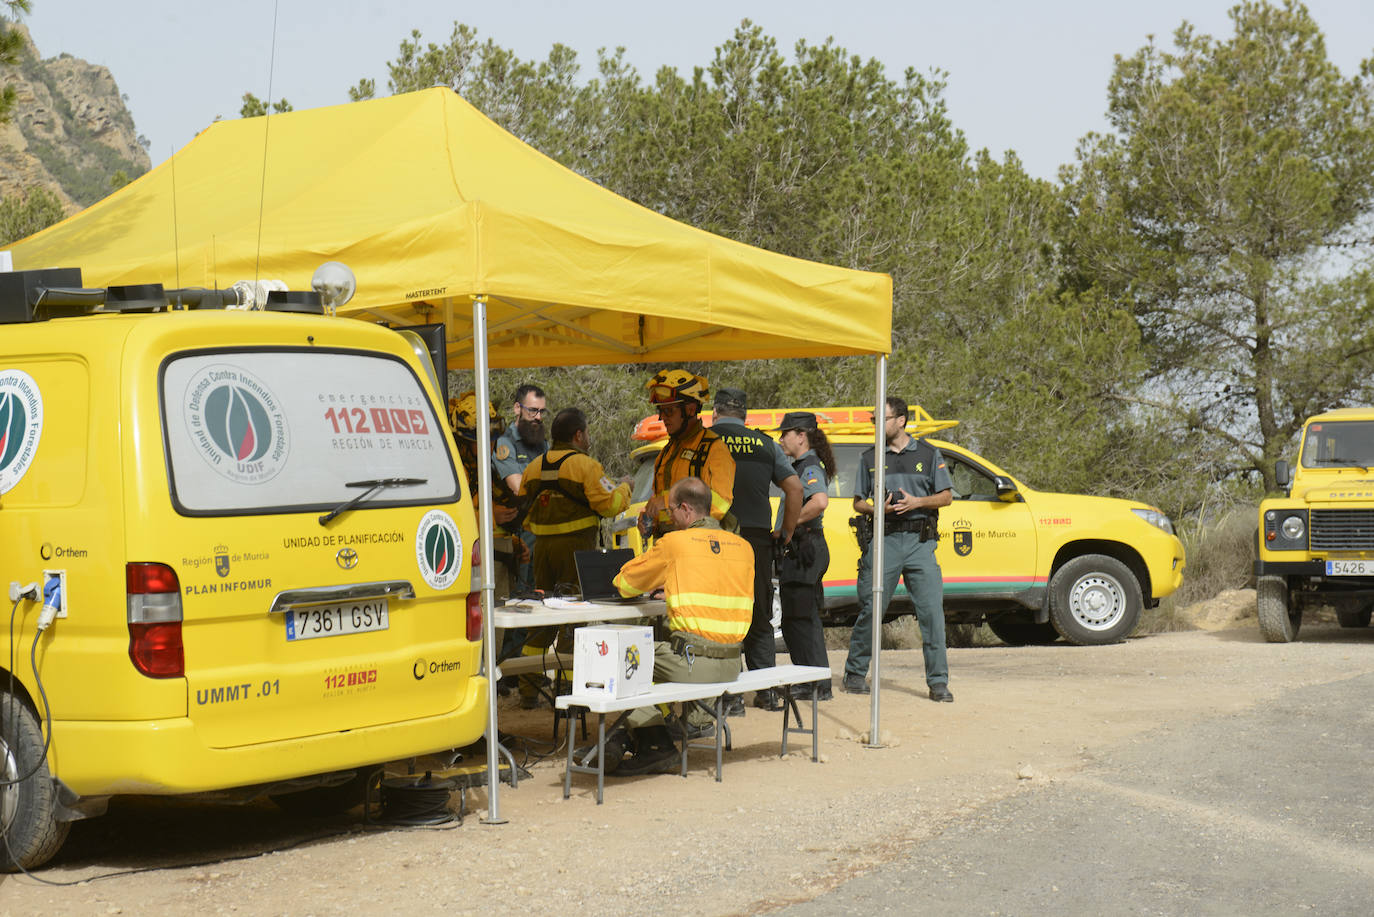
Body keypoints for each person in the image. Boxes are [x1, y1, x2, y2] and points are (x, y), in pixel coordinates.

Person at [601, 477, 753, 776]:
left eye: (669, 512)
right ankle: (649, 730)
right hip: (733, 663)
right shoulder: (744, 547)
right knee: (651, 658)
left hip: (695, 663)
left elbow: (625, 584)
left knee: (621, 658)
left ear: (685, 509)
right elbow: (718, 587)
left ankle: (656, 745)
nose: (668, 518)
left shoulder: (676, 543)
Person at [513, 408, 633, 707]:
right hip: (576, 552)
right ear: (578, 435)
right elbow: (610, 505)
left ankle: (529, 689)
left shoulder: (533, 467)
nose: (589, 438)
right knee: (572, 617)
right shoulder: (586, 466)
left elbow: (523, 512)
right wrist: (627, 487)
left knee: (542, 617)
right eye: (587, 433)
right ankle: (566, 688)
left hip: (541, 550)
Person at [843, 396, 954, 702]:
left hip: (920, 542)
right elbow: (857, 502)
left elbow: (946, 497)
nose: (878, 425)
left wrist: (917, 502)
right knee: (871, 608)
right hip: (886, 539)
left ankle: (938, 683)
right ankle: (854, 673)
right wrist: (879, 508)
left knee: (931, 612)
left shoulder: (930, 454)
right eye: (875, 420)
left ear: (901, 420)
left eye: (883, 419)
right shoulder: (870, 457)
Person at [710, 387, 802, 712]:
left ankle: (729, 696)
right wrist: (786, 532)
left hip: (713, 539)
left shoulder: (705, 441)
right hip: (757, 541)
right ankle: (765, 692)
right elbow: (795, 489)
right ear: (746, 416)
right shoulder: (765, 444)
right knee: (759, 611)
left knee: (720, 612)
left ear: (715, 413)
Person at [775, 411, 835, 700]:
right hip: (803, 549)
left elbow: (819, 502)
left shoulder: (809, 465)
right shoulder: (801, 465)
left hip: (805, 549)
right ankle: (815, 682)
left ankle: (814, 685)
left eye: (785, 433)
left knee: (800, 619)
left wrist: (790, 524)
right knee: (799, 618)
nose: (781, 438)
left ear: (801, 435)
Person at [639, 369, 735, 537]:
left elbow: (720, 504)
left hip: (699, 545)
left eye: (669, 411)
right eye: (660, 411)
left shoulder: (714, 449)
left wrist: (668, 502)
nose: (663, 418)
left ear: (690, 409)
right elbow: (660, 502)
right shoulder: (666, 453)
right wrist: (650, 519)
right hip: (668, 544)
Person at [493, 383, 548, 594]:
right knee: (519, 597)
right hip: (516, 535)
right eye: (533, 410)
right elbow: (518, 487)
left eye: (542, 411)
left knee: (539, 595)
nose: (538, 417)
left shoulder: (542, 444)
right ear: (517, 408)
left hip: (540, 533)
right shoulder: (505, 443)